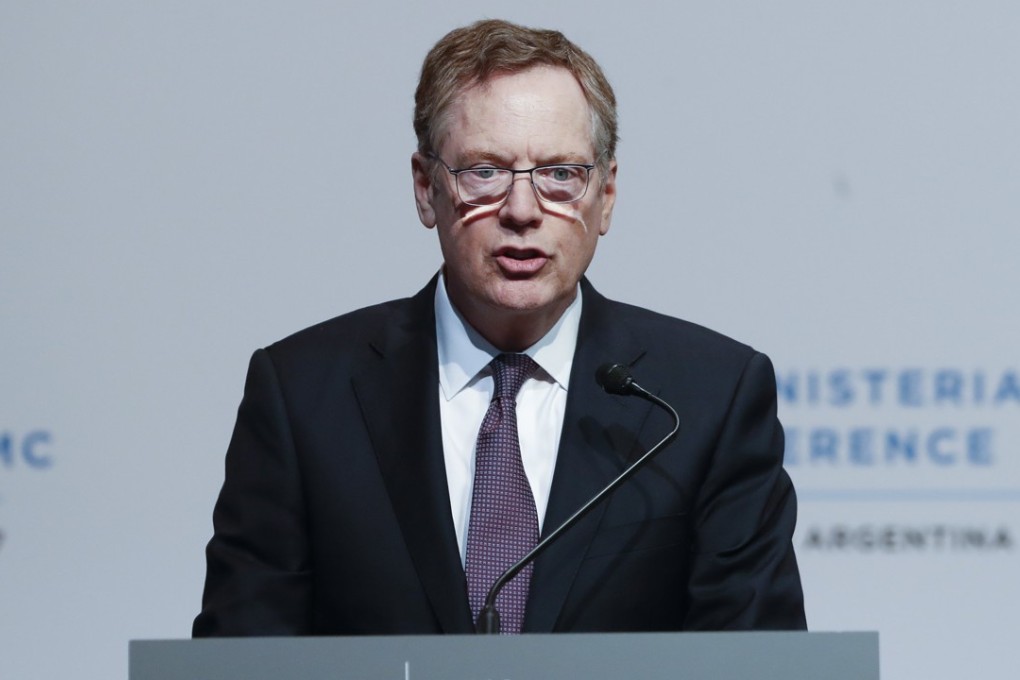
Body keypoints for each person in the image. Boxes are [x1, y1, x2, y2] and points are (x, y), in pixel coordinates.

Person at [193, 18, 806, 637]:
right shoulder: (303, 395)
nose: (521, 211)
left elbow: (760, 661)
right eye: (483, 171)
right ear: (426, 188)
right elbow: (240, 658)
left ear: (608, 196)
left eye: (561, 174)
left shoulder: (705, 401)